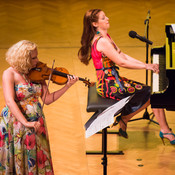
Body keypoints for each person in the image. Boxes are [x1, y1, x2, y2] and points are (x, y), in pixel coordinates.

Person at [78, 9, 175, 144]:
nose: (108, 18)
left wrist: (146, 64)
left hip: (112, 80)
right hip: (108, 85)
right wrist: (146, 66)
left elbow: (122, 55)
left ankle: (161, 128)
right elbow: (121, 62)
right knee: (152, 94)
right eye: (103, 18)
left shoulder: (105, 37)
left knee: (152, 93)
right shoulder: (102, 42)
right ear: (95, 24)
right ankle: (130, 119)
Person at [0, 40, 78, 174]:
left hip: (37, 123)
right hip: (17, 123)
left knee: (36, 157)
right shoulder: (9, 73)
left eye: (36, 56)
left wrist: (67, 86)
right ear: (23, 59)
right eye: (33, 58)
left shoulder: (37, 73)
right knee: (19, 157)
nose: (37, 61)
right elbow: (9, 101)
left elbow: (47, 99)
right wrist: (26, 122)